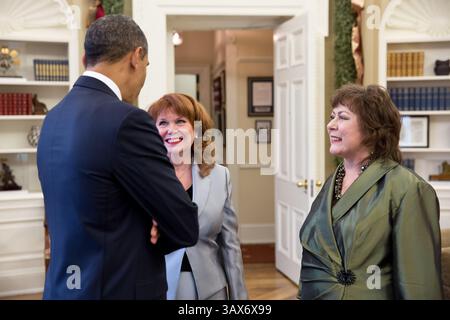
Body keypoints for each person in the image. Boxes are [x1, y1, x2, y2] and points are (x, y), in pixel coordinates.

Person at [37, 15, 199, 300]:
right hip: (117, 288)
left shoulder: (52, 118)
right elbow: (183, 223)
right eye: (146, 66)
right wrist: (158, 224)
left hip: (63, 290)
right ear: (136, 57)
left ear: (86, 57)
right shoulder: (127, 121)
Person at [298, 84, 443, 300]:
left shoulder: (408, 188)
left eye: (342, 117)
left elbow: (419, 283)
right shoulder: (332, 183)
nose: (330, 125)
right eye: (332, 116)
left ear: (372, 127)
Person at [148, 93, 248, 300]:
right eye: (163, 122)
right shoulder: (143, 176)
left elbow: (230, 246)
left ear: (196, 130)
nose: (171, 129)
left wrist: (240, 299)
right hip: (157, 286)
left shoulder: (220, 176)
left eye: (180, 121)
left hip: (211, 289)